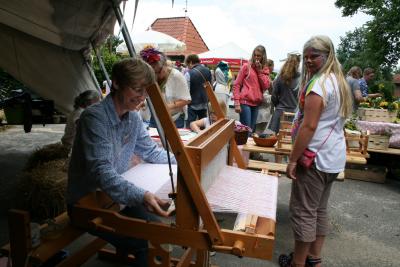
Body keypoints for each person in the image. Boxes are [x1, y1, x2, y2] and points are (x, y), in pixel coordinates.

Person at [67, 58, 176, 267]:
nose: (142, 97)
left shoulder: (133, 118)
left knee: (160, 234)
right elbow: (102, 171)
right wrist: (141, 195)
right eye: (137, 89)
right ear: (116, 83)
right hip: (87, 203)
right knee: (146, 242)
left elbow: (152, 152)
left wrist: (184, 162)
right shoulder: (94, 118)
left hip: (116, 199)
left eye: (145, 91)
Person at [279, 35, 353, 267]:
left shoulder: (320, 84)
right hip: (332, 157)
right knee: (319, 210)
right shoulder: (338, 81)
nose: (309, 61)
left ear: (327, 56)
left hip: (314, 159)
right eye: (306, 56)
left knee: (303, 211)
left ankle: (298, 263)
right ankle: (313, 258)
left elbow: (309, 126)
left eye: (315, 56)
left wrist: (292, 160)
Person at [140, 47, 191, 128]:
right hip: (154, 117)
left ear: (165, 65)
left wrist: (167, 107)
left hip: (175, 119)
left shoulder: (176, 76)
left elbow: (186, 99)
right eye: (153, 73)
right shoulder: (151, 76)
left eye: (158, 71)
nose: (156, 75)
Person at [233, 45, 271, 133]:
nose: (256, 57)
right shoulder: (246, 66)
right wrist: (237, 102)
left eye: (259, 56)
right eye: (255, 55)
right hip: (245, 102)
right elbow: (237, 85)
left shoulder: (265, 70)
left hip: (256, 103)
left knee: (250, 132)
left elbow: (265, 86)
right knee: (246, 131)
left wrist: (259, 71)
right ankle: (237, 146)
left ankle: (238, 145)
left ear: (263, 57)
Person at [269, 54, 301, 133]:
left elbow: (273, 97)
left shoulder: (280, 77)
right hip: (294, 113)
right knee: (291, 142)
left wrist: (279, 106)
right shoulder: (302, 79)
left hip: (280, 112)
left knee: (277, 141)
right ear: (298, 64)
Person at [184, 54, 212, 128]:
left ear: (190, 62)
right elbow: (210, 86)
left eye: (187, 64)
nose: (188, 67)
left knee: (190, 126)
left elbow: (186, 91)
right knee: (203, 125)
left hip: (192, 103)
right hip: (205, 103)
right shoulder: (208, 71)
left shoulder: (189, 73)